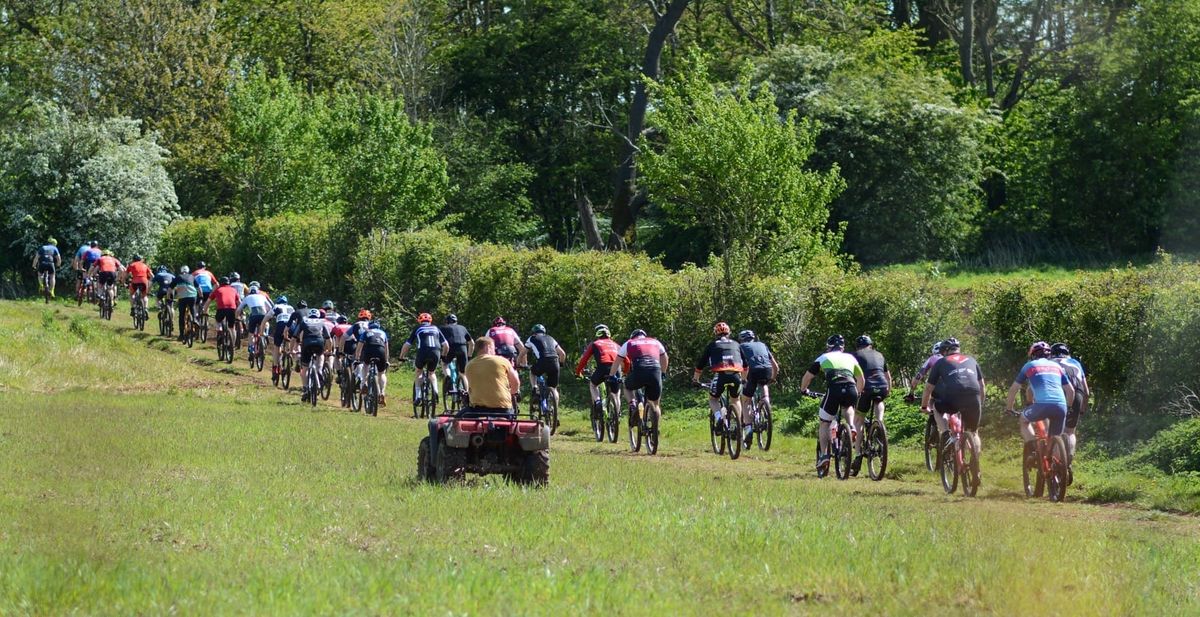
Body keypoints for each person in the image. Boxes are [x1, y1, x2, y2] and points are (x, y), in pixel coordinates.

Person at [427, 337, 521, 464]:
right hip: (504, 411)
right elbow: (516, 382)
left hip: (476, 411)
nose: (495, 351)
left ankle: (438, 464)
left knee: (451, 424)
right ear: (488, 347)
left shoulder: (469, 365)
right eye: (493, 348)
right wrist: (512, 393)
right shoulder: (503, 361)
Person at [920, 337, 986, 484]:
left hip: (952, 397)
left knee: (936, 408)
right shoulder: (972, 360)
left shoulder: (941, 362)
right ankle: (976, 465)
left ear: (944, 351)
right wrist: (979, 404)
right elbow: (982, 386)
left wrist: (925, 406)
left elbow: (928, 388)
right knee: (974, 432)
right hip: (973, 396)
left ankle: (944, 433)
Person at [799, 335, 865, 474]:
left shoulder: (823, 357)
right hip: (851, 387)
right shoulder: (851, 358)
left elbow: (808, 376)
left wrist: (803, 390)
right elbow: (861, 379)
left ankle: (824, 455)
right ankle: (851, 426)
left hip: (834, 388)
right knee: (848, 407)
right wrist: (857, 393)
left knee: (824, 422)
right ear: (842, 347)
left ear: (829, 347)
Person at [1006, 341, 1076, 465]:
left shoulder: (1029, 365)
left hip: (1041, 405)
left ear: (1032, 355)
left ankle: (1033, 451)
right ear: (1049, 355)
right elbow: (1070, 391)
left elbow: (1014, 389)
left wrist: (1009, 408)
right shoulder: (1057, 367)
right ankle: (1057, 471)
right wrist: (1069, 407)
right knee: (1054, 439)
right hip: (1061, 406)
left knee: (1024, 420)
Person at [692, 322, 747, 441]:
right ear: (729, 333)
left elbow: (700, 365)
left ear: (715, 334)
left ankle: (719, 418)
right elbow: (746, 365)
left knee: (713, 399)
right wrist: (743, 379)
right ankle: (735, 425)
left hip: (720, 375)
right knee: (736, 399)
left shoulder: (712, 345)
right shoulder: (737, 344)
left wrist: (696, 379)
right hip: (736, 375)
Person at [610, 329, 669, 428]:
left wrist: (612, 376)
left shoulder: (629, 343)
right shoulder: (655, 341)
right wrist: (663, 372)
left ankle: (633, 405)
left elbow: (617, 361)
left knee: (626, 386)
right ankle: (655, 430)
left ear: (633, 336)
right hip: (655, 371)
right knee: (655, 404)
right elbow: (665, 357)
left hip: (639, 371)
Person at [851, 335, 892, 474]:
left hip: (866, 387)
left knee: (859, 420)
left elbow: (853, 375)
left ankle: (857, 455)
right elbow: (888, 376)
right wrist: (889, 390)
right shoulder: (880, 355)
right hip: (882, 385)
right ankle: (879, 424)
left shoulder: (855, 355)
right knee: (879, 401)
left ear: (858, 346)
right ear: (871, 345)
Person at [738, 329, 780, 447]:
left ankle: (748, 428)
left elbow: (740, 366)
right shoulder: (762, 345)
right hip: (766, 370)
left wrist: (742, 379)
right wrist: (772, 378)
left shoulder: (741, 347)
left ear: (741, 339)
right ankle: (766, 402)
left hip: (752, 371)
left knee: (746, 399)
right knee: (764, 383)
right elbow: (776, 366)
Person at [1050, 342, 1089, 467]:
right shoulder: (1075, 363)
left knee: (1055, 429)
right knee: (1070, 432)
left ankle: (1056, 463)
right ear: (1068, 353)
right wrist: (1082, 408)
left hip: (1058, 391)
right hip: (1077, 392)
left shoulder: (1049, 362)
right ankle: (1068, 462)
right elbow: (1086, 391)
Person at [398, 313, 450, 407]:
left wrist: (401, 357)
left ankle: (418, 396)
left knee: (419, 371)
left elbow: (407, 345)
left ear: (420, 321)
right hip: (436, 351)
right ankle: (435, 391)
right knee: (432, 373)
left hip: (423, 351)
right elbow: (446, 345)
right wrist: (443, 356)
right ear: (430, 321)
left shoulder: (418, 328)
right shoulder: (436, 328)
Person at [575, 324, 622, 418]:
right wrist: (625, 371)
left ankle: (597, 402)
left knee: (593, 385)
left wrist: (578, 372)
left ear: (597, 334)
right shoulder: (616, 345)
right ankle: (617, 414)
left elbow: (584, 359)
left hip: (603, 368)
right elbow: (627, 360)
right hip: (616, 369)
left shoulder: (595, 344)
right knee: (616, 393)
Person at [524, 324, 567, 412]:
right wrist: (561, 364)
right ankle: (554, 411)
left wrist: (519, 363)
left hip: (543, 361)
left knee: (532, 372)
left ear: (534, 333)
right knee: (554, 388)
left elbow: (522, 353)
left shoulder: (532, 338)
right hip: (555, 362)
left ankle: (535, 388)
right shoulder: (551, 338)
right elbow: (562, 354)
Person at [296, 308, 332, 402]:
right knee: (321, 355)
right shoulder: (322, 322)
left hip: (306, 344)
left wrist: (292, 349)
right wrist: (329, 350)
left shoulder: (304, 321)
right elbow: (328, 338)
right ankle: (319, 371)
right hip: (319, 343)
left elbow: (295, 336)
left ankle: (305, 389)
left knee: (304, 369)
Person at [354, 320, 391, 407]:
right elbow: (386, 348)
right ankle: (382, 392)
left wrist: (357, 358)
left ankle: (364, 384)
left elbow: (360, 345)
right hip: (381, 351)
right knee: (381, 373)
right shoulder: (383, 333)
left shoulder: (366, 332)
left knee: (365, 366)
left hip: (369, 350)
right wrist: (387, 360)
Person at [439, 314, 474, 393]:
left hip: (450, 348)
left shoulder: (443, 328)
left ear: (447, 322)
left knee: (444, 364)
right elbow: (472, 343)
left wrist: (442, 354)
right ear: (456, 321)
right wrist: (469, 356)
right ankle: (467, 394)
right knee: (463, 373)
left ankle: (448, 377)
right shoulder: (462, 328)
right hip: (462, 348)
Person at [237, 284, 274, 355]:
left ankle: (251, 348)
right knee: (263, 326)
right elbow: (270, 308)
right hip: (263, 316)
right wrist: (270, 317)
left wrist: (236, 317)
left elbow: (239, 309)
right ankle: (264, 335)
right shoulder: (262, 296)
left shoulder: (247, 297)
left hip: (253, 316)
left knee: (251, 333)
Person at [269, 295, 295, 381]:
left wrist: (261, 330)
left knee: (277, 347)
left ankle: (275, 367)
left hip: (281, 326)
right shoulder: (291, 307)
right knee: (288, 339)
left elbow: (266, 318)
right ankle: (289, 354)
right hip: (291, 326)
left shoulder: (276, 306)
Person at [210, 277, 241, 346]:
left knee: (218, 321)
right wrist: (240, 312)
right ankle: (232, 346)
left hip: (221, 309)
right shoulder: (234, 290)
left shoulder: (217, 290)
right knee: (232, 328)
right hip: (232, 309)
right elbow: (239, 302)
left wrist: (204, 311)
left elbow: (208, 302)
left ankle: (220, 330)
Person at [170, 266, 199, 339]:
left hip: (182, 297)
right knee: (192, 307)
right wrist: (201, 296)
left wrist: (169, 297)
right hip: (192, 296)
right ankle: (195, 319)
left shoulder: (178, 277)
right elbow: (199, 288)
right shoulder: (192, 276)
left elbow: (170, 289)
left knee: (182, 315)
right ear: (188, 271)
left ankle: (181, 335)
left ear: (181, 271)